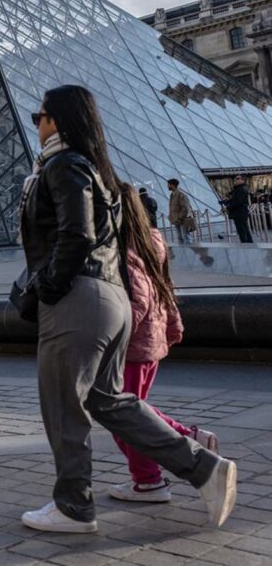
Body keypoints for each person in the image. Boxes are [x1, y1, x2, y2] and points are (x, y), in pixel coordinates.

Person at [18, 85, 236, 533]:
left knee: (63, 406)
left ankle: (74, 507)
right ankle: (204, 468)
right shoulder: (101, 173)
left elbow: (75, 236)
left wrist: (48, 286)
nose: (35, 124)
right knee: (109, 401)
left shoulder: (63, 165)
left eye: (38, 116)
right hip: (111, 300)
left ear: (56, 120)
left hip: (77, 299)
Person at [110, 182, 219, 502]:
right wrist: (173, 327)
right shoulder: (150, 239)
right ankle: (149, 476)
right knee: (130, 412)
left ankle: (153, 477)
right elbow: (164, 287)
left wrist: (106, 338)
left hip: (131, 346)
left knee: (126, 417)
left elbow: (137, 300)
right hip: (150, 342)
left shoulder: (124, 246)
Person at [226, 175, 253, 243]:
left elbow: (238, 202)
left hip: (240, 213)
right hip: (240, 212)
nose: (235, 180)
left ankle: (245, 245)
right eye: (235, 178)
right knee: (244, 229)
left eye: (238, 178)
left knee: (242, 231)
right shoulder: (239, 188)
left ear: (243, 180)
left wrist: (228, 207)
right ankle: (249, 244)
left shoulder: (241, 189)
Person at [167, 179, 194, 244]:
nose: (167, 186)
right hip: (176, 220)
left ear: (172, 185)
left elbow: (185, 208)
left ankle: (190, 253)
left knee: (186, 237)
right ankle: (183, 253)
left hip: (182, 220)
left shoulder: (181, 195)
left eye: (169, 184)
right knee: (179, 237)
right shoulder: (172, 195)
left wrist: (180, 217)